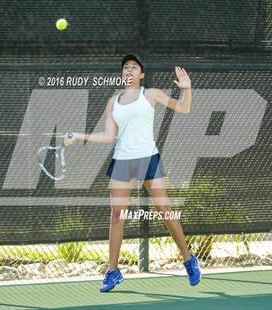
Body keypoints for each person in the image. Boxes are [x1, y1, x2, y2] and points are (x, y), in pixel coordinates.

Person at [64, 54, 201, 292]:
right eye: (125, 68)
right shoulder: (112, 102)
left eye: (133, 67)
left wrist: (187, 89)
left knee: (165, 211)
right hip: (122, 161)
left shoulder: (152, 94)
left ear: (141, 74)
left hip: (148, 157)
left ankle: (189, 260)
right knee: (116, 216)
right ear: (122, 74)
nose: (129, 70)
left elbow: (184, 108)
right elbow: (108, 136)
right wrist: (78, 136)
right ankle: (113, 271)